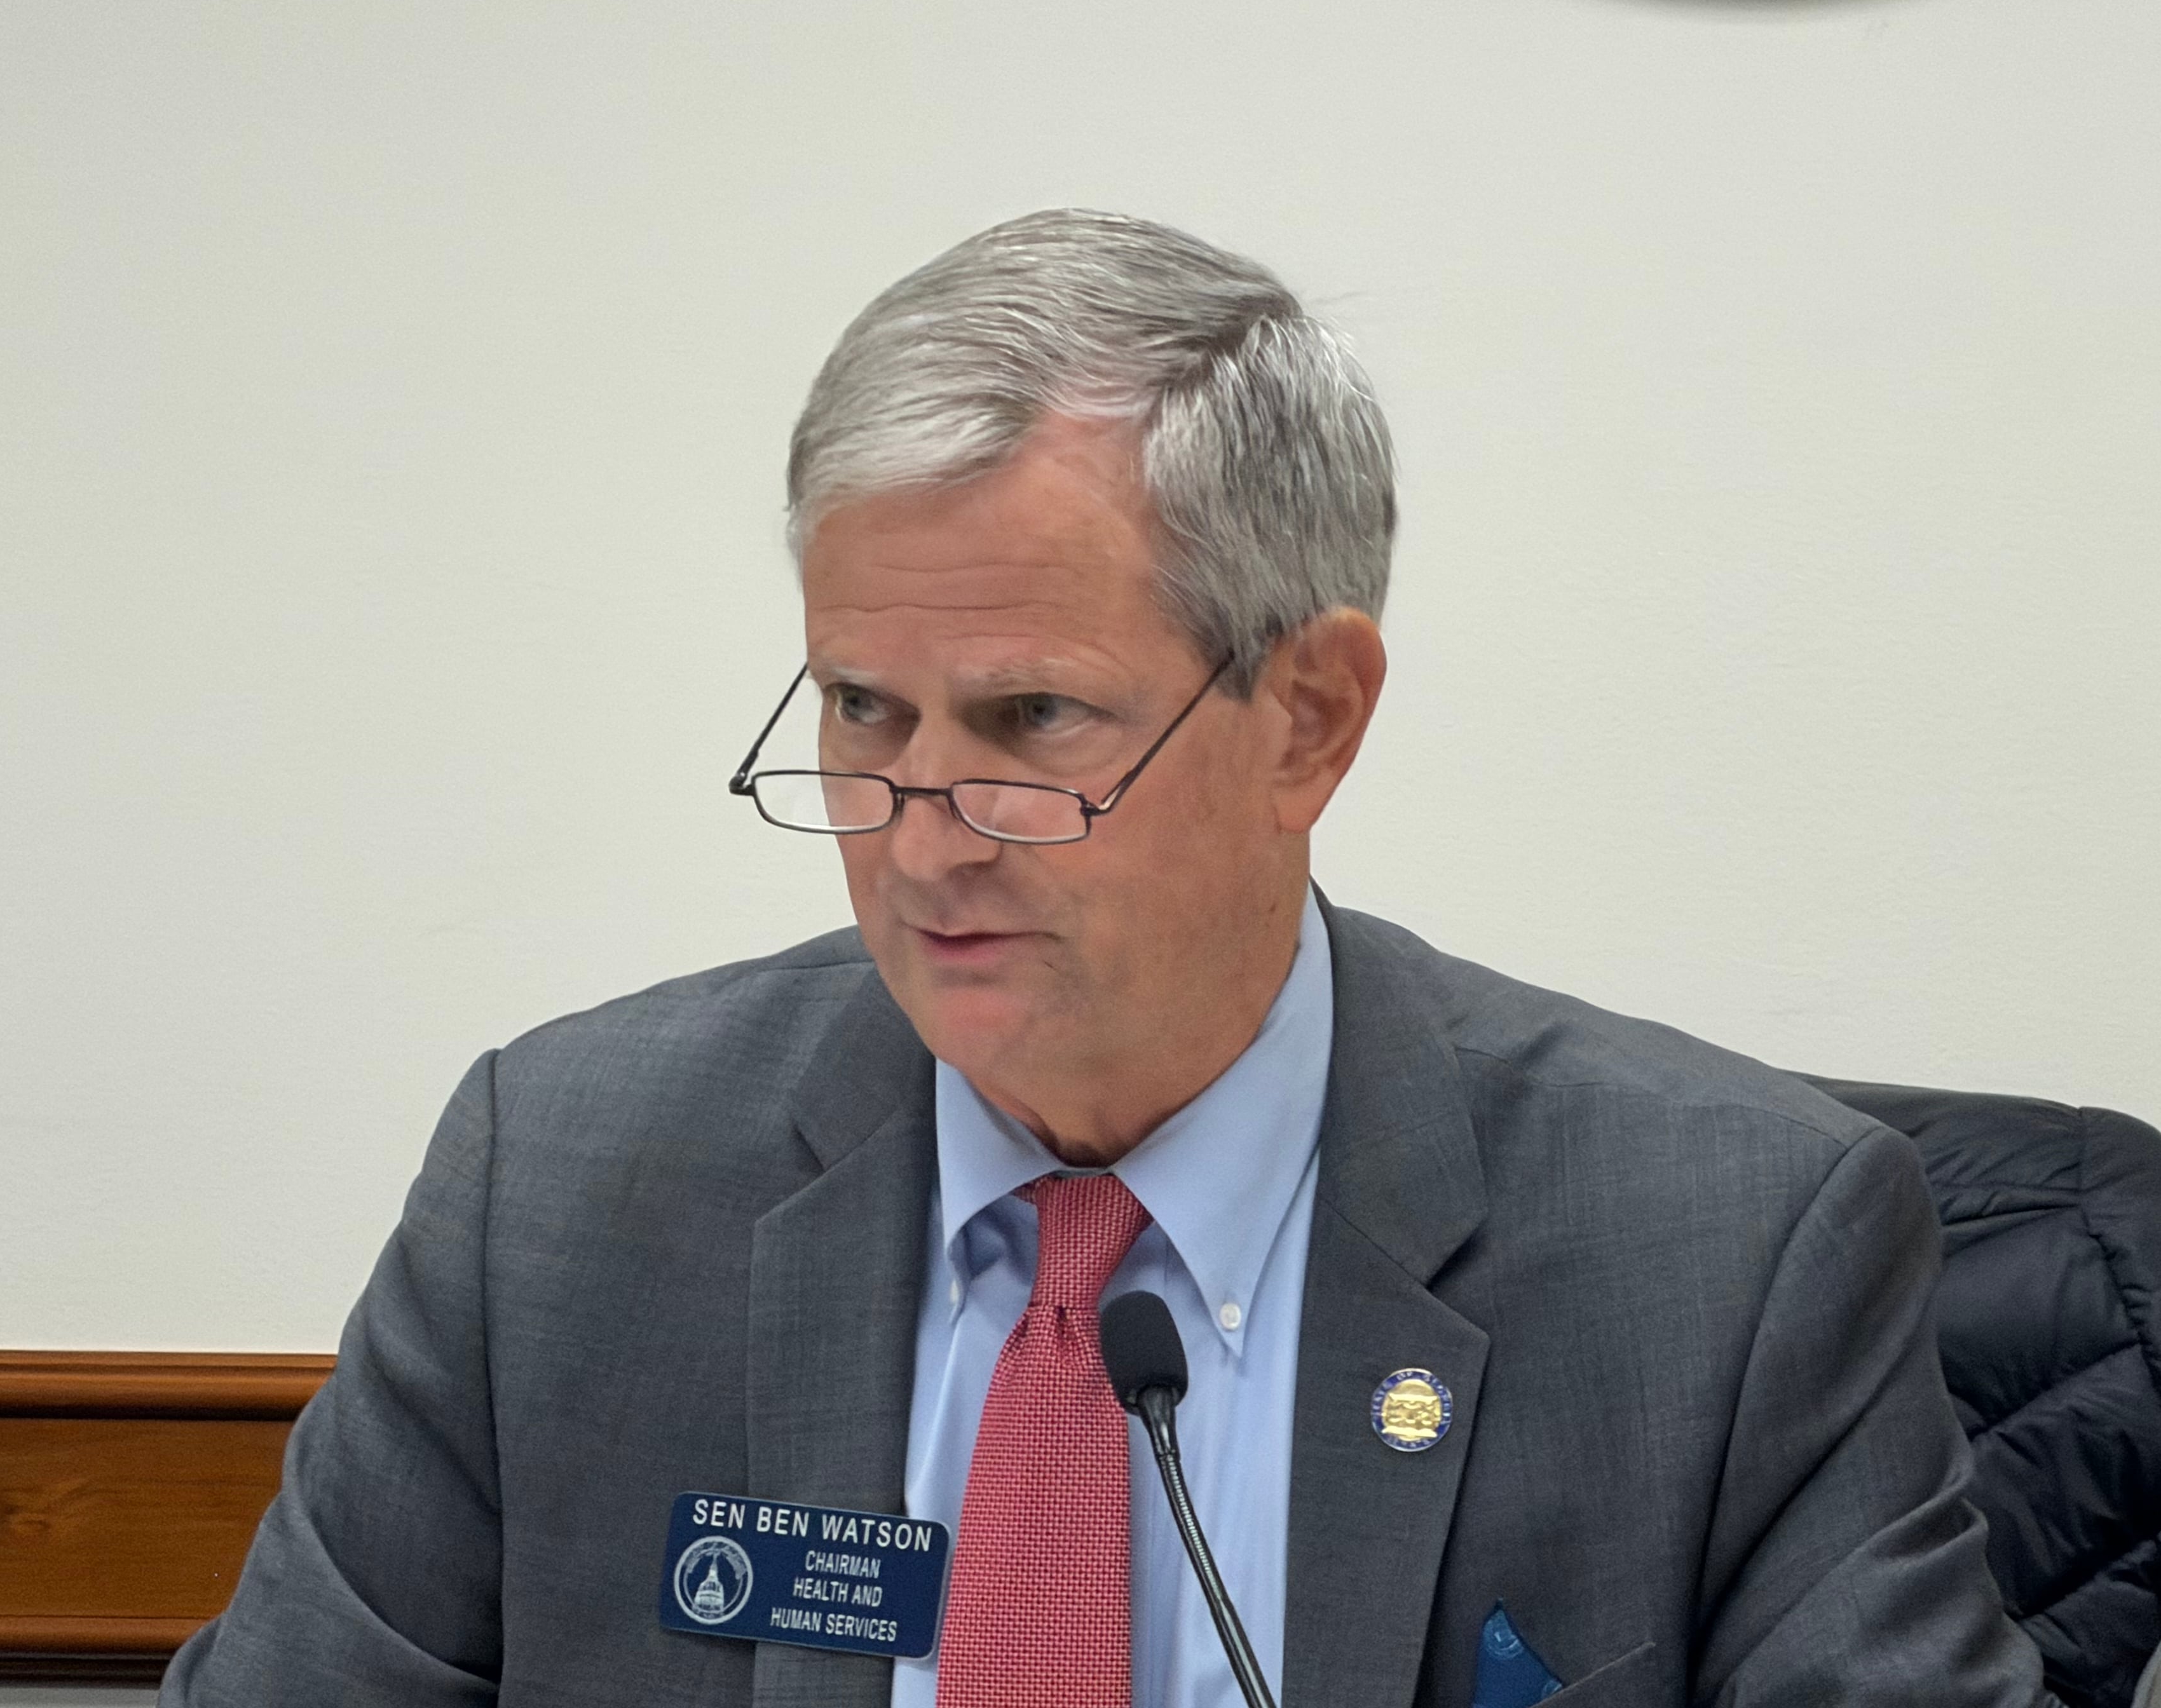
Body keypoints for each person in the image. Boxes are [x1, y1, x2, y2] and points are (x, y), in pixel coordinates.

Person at [162, 209, 2050, 1707]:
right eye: (864, 713)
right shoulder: (563, 1192)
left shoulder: (1724, 1256)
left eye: (1033, 722)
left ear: (1311, 715)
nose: (919, 833)